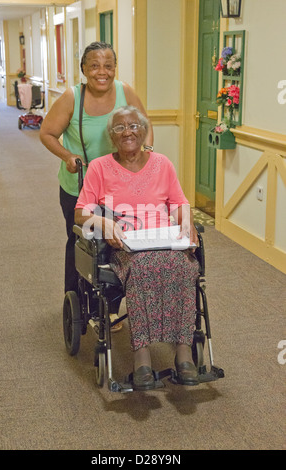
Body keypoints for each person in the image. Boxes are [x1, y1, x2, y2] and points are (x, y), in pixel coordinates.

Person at [74, 105, 200, 391]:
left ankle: (183, 352)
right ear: (112, 136)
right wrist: (103, 223)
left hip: (165, 238)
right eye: (119, 128)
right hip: (126, 246)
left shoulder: (163, 164)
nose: (127, 132)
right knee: (143, 268)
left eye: (133, 126)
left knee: (183, 267)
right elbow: (80, 212)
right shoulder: (100, 167)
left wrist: (186, 222)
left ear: (144, 131)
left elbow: (179, 203)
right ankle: (142, 357)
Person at [40, 42, 153, 331]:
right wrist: (67, 156)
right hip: (79, 186)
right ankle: (75, 304)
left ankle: (110, 309)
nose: (101, 72)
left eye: (108, 65)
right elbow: (48, 133)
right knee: (81, 243)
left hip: (119, 189)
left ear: (115, 68)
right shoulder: (71, 97)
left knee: (117, 246)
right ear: (84, 70)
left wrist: (147, 148)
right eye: (94, 65)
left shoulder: (125, 91)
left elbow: (144, 124)